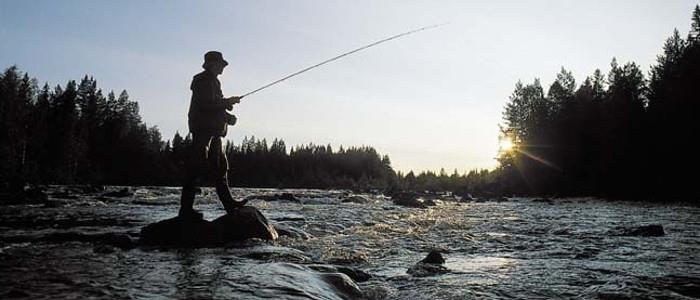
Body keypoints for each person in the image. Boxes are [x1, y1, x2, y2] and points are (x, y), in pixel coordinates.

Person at [179, 51, 247, 219]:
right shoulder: (202, 80)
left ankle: (230, 204)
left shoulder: (214, 82)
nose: (223, 67)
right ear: (211, 64)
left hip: (214, 131)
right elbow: (207, 105)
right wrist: (227, 102)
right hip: (203, 130)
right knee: (195, 168)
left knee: (221, 168)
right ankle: (185, 210)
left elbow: (217, 106)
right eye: (220, 64)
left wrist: (228, 114)